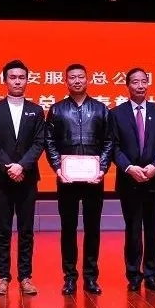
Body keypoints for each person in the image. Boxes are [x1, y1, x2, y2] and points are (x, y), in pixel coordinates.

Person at [44, 63, 114, 295]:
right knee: (68, 228)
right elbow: (50, 141)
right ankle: (70, 277)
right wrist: (57, 167)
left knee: (92, 228)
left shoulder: (101, 109)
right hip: (67, 179)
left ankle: (91, 277)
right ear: (66, 81)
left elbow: (109, 141)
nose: (77, 81)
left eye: (80, 77)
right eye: (72, 77)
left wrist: (102, 168)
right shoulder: (57, 110)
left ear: (87, 80)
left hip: (94, 179)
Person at [0, 60, 45, 296]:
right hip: (2, 177)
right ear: (5, 80)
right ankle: (2, 277)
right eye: (13, 77)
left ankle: (25, 277)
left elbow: (39, 142)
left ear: (27, 80)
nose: (17, 81)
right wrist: (9, 166)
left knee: (26, 230)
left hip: (27, 178)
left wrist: (22, 166)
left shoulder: (36, 110)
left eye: (21, 77)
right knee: (3, 229)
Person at [111, 68, 155, 292]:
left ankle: (152, 274)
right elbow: (114, 146)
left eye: (144, 81)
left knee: (153, 230)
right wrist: (129, 167)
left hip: (154, 179)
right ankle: (134, 274)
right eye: (135, 82)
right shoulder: (116, 113)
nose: (140, 85)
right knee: (133, 229)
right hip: (129, 180)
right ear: (127, 85)